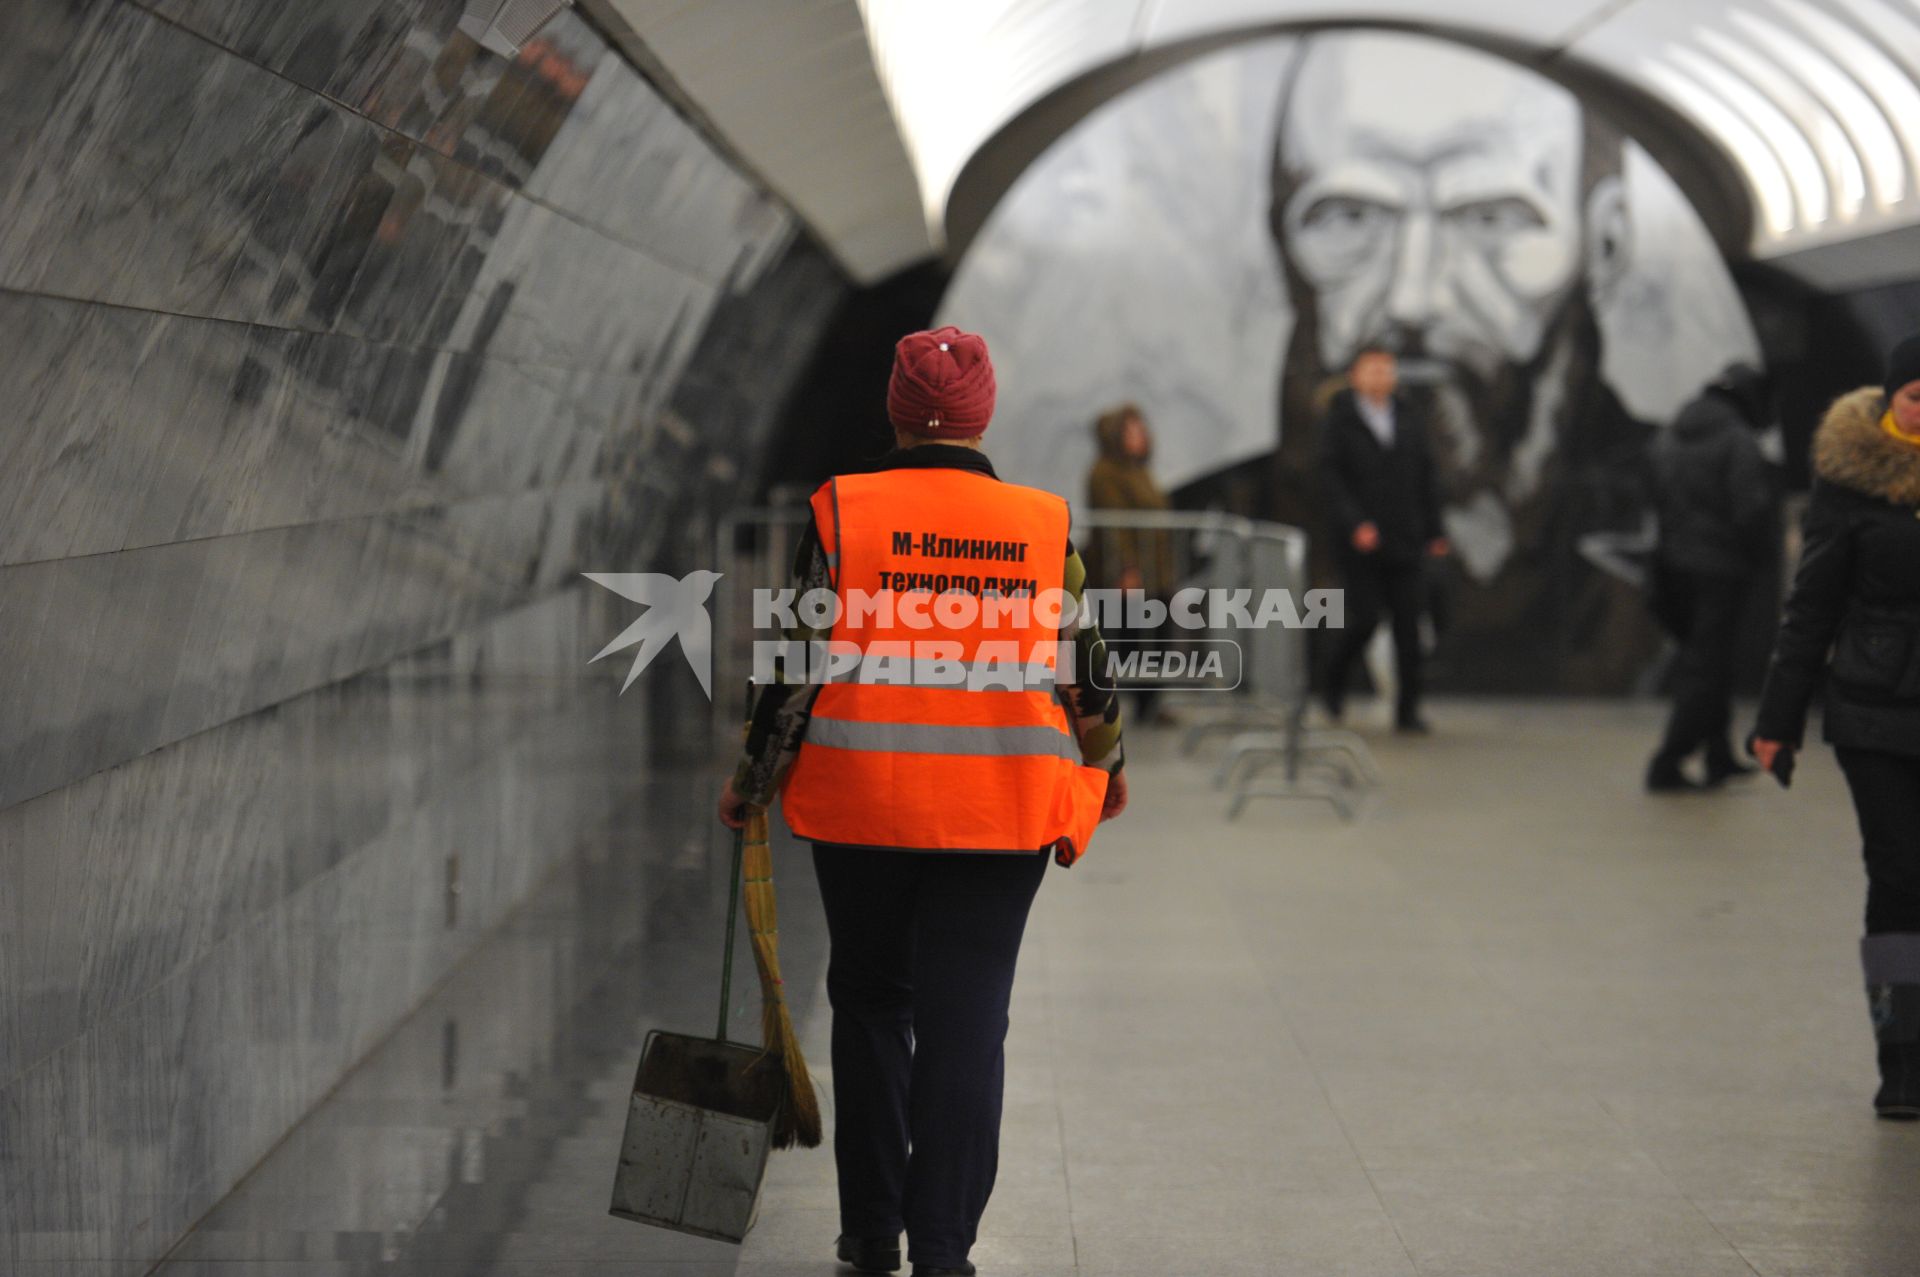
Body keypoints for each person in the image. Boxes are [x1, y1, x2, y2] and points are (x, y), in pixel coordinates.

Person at [717, 326, 1129, 1274]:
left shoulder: (842, 515)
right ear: (983, 415)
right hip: (1001, 811)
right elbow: (1087, 673)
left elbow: (793, 671)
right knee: (968, 1018)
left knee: (868, 1004)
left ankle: (871, 1231)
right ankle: (944, 1246)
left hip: (862, 809)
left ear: (897, 415)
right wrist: (1108, 765)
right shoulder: (1040, 524)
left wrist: (751, 781)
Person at [1264, 32, 1657, 693]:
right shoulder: (1221, 528)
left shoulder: (1658, 519)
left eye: (1491, 217)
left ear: (1605, 241)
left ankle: (1404, 703)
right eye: (1350, 215)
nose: (1413, 298)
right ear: (1281, 242)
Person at [1751, 333, 1920, 1119]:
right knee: (1897, 875)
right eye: (1918, 397)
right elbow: (1812, 604)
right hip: (1873, 706)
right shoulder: (1850, 481)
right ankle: (1902, 1057)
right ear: (1892, 399)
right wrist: (1777, 721)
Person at [1645, 363, 1777, 791]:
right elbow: (1751, 509)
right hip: (1720, 568)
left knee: (1704, 662)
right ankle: (1669, 761)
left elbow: (1655, 500)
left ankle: (1717, 755)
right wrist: (1758, 556)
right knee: (1706, 667)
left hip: (1671, 566)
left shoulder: (1669, 436)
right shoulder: (1737, 440)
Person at [1317, 346, 1450, 732]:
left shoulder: (1408, 418)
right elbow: (1331, 479)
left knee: (1410, 627)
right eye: (1372, 369)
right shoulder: (1338, 421)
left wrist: (1435, 530)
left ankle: (1407, 710)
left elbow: (1426, 476)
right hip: (1360, 544)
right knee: (1365, 619)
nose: (1380, 376)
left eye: (1386, 369)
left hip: (1405, 539)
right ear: (1355, 375)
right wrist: (1354, 523)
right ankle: (1334, 682)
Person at [1086, 403, 1178, 724]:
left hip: (1156, 572)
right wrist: (1125, 569)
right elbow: (1115, 525)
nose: (1138, 436)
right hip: (1130, 575)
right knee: (1131, 639)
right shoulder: (1105, 472)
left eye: (1140, 429)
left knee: (1156, 638)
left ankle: (1150, 703)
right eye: (1130, 430)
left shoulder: (1141, 471)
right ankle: (1123, 703)